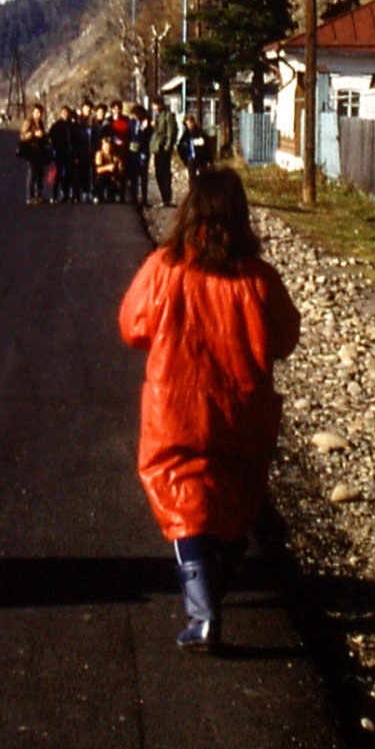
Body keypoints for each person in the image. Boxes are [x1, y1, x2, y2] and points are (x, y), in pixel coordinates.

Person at [117, 168, 300, 651]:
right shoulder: (258, 278)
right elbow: (285, 339)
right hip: (243, 405)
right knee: (236, 496)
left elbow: (132, 326)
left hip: (174, 406)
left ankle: (202, 614)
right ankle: (215, 587)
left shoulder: (164, 267)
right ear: (240, 216)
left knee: (181, 498)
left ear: (189, 211)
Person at [17, 104, 52, 204]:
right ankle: (30, 196)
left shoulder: (40, 123)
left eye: (40, 112)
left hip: (40, 151)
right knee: (32, 173)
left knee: (40, 173)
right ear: (33, 113)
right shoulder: (28, 122)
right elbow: (23, 136)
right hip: (31, 151)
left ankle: (38, 194)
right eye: (36, 112)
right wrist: (33, 134)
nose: (38, 114)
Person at [149, 101, 180, 207]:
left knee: (165, 173)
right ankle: (163, 197)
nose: (153, 107)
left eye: (155, 105)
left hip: (164, 149)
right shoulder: (156, 116)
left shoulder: (168, 116)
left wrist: (168, 147)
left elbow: (171, 132)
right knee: (158, 173)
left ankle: (168, 198)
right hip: (157, 148)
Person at [47, 104, 79, 204]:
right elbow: (50, 138)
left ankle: (66, 195)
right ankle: (54, 195)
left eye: (67, 113)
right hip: (60, 153)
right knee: (58, 174)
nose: (65, 114)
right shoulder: (56, 125)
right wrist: (55, 148)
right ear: (61, 113)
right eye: (63, 112)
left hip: (70, 154)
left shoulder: (72, 126)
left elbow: (75, 140)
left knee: (68, 175)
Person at [92, 133, 123, 202]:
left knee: (118, 181)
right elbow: (98, 169)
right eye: (105, 146)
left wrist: (119, 175)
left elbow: (120, 168)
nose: (107, 147)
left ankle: (114, 196)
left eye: (108, 145)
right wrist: (107, 168)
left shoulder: (115, 155)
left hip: (112, 176)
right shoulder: (99, 153)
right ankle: (98, 195)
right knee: (99, 179)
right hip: (102, 176)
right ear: (102, 146)